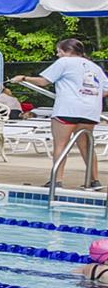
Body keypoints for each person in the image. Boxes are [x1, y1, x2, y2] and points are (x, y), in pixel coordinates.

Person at [11, 38, 105, 189]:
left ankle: (57, 180)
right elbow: (105, 90)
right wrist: (87, 94)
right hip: (90, 110)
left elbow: (44, 81)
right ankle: (94, 180)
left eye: (59, 51)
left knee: (60, 145)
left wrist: (23, 78)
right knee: (87, 146)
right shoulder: (95, 67)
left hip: (67, 109)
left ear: (66, 51)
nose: (57, 54)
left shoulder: (64, 62)